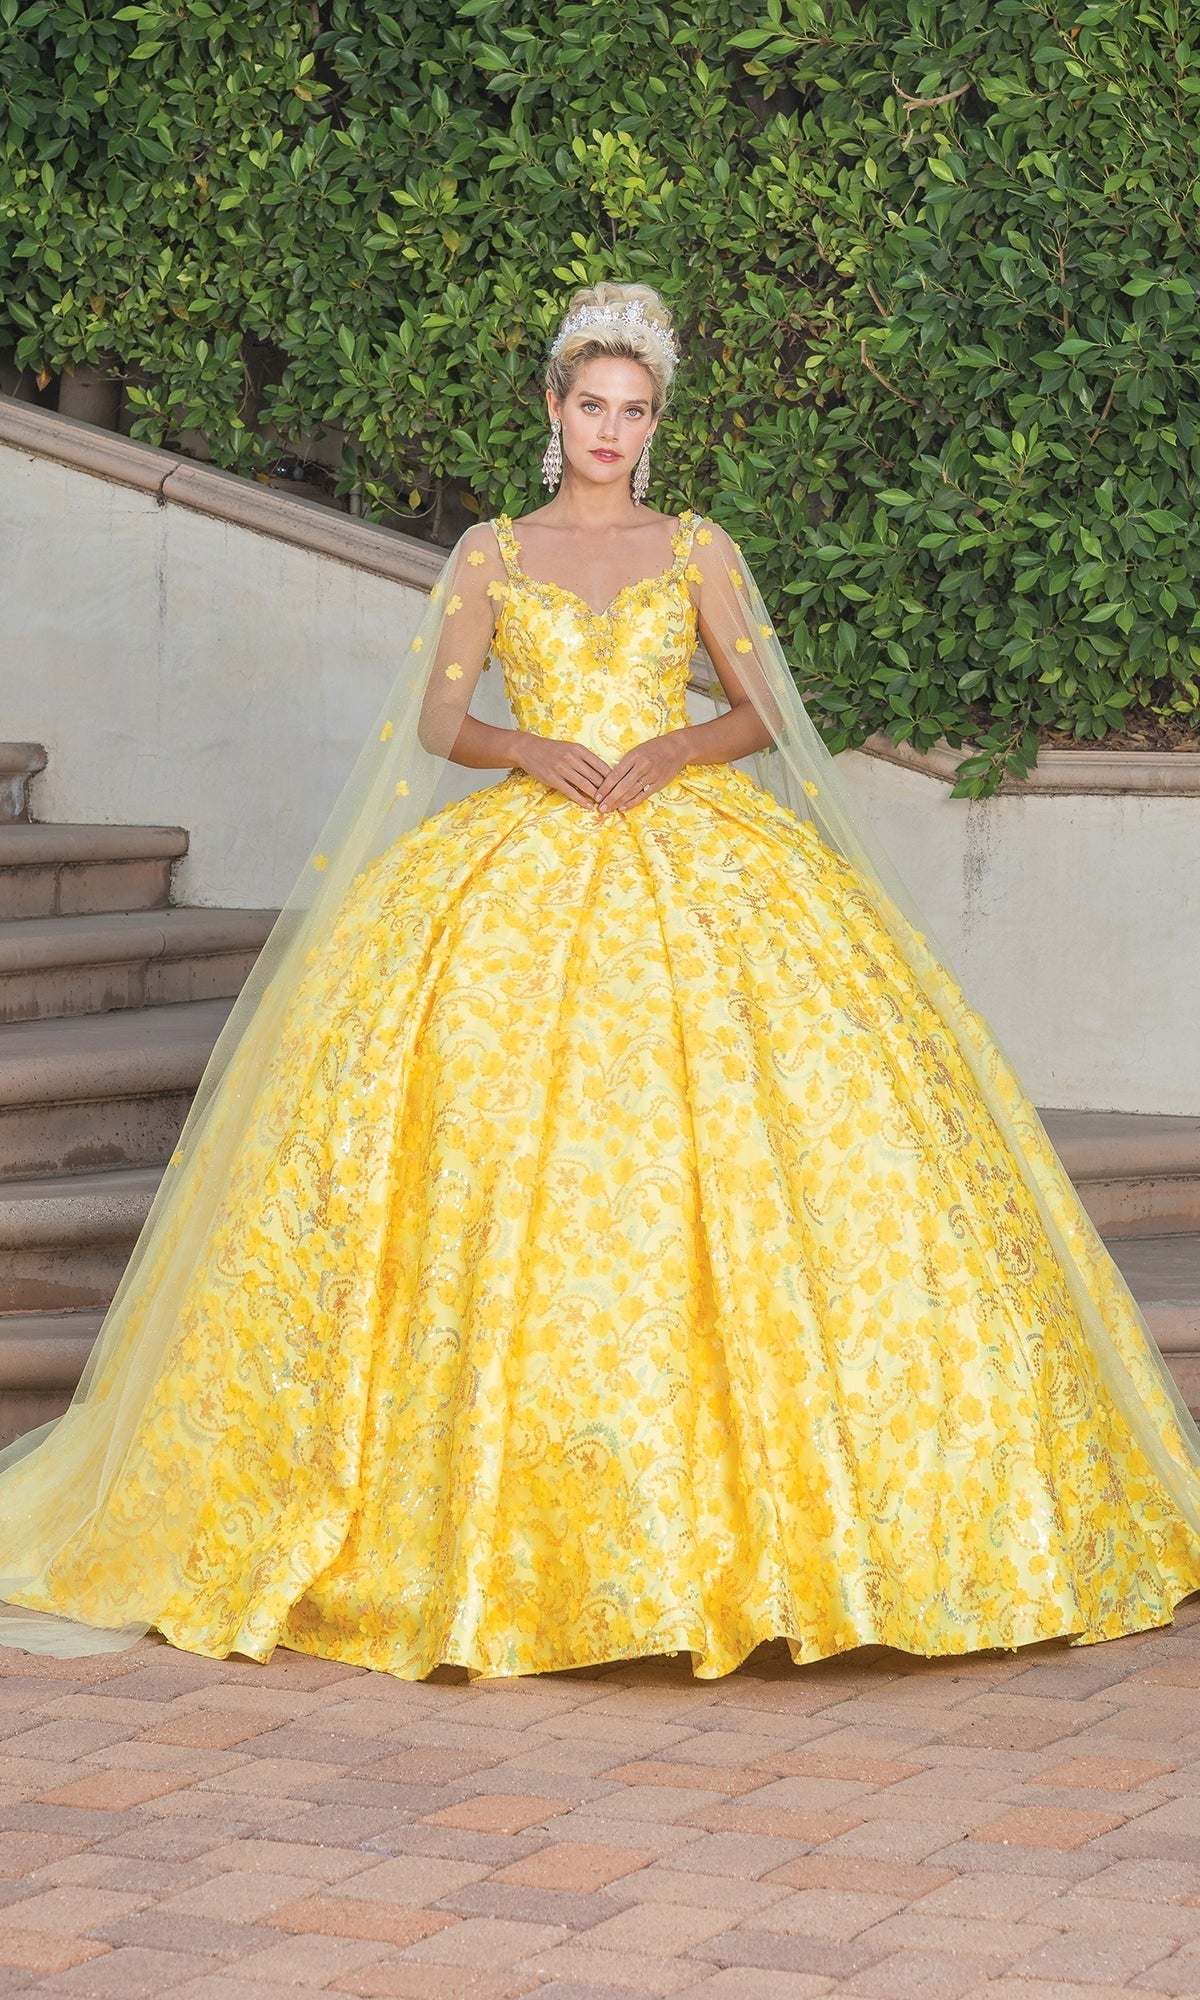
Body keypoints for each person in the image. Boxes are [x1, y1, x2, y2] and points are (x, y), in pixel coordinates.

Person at [1, 281, 1198, 1678]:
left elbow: (763, 710)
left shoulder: (698, 549)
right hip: (524, 849)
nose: (611, 431)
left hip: (697, 843)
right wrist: (533, 750)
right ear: (554, 409)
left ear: (654, 422)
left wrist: (672, 751)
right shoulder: (489, 554)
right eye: (592, 406)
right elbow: (440, 718)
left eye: (634, 411)